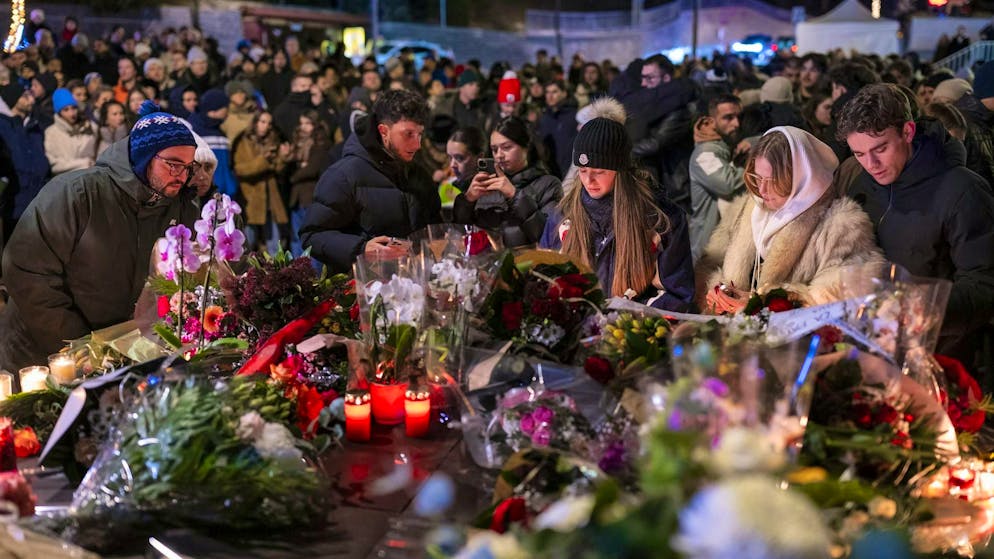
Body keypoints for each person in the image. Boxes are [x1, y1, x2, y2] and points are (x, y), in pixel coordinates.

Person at [0, 101, 206, 372]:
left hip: (117, 355)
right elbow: (27, 272)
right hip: (40, 353)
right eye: (173, 164)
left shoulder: (179, 207)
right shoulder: (76, 194)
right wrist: (78, 345)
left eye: (189, 167)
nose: (182, 176)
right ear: (144, 157)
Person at [837, 84, 994, 365]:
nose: (871, 164)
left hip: (941, 357)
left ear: (908, 132)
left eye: (880, 148)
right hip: (874, 350)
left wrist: (924, 306)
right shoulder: (862, 184)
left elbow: (984, 284)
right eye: (859, 154)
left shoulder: (963, 190)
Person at [699, 126, 882, 312]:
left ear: (800, 177)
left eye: (772, 181)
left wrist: (765, 303)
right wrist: (718, 293)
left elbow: (836, 299)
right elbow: (710, 265)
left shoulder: (842, 227)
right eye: (758, 178)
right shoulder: (746, 209)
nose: (762, 191)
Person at [539, 117, 694, 312]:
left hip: (632, 331)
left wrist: (627, 319)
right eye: (583, 170)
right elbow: (543, 280)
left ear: (620, 170)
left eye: (599, 171)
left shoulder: (660, 220)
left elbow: (677, 293)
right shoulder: (562, 215)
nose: (589, 180)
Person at [300, 89, 440, 273]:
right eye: (408, 134)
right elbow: (312, 235)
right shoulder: (343, 175)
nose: (417, 145)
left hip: (412, 286)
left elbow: (435, 228)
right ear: (384, 131)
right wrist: (361, 248)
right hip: (361, 291)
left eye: (420, 134)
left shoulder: (419, 174)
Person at [453, 116, 561, 248]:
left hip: (527, 263)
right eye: (494, 149)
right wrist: (468, 201)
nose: (499, 155)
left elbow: (550, 238)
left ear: (526, 147)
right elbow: (459, 235)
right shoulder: (484, 182)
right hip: (486, 263)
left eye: (506, 147)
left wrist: (515, 196)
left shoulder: (548, 184)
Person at [688, 94, 745, 263]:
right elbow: (727, 184)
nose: (737, 123)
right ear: (710, 121)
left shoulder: (725, 146)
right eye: (728, 118)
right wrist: (754, 168)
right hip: (708, 250)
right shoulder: (704, 154)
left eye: (738, 117)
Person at [232, 110, 291, 252]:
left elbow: (278, 170)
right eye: (263, 122)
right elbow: (241, 169)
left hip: (271, 198)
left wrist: (283, 157)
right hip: (251, 197)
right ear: (256, 123)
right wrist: (263, 160)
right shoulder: (244, 141)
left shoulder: (273, 141)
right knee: (247, 243)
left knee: (275, 245)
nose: (266, 126)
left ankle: (276, 273)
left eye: (269, 123)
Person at [0, 83, 49, 243]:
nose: (31, 98)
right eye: (25, 95)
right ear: (14, 100)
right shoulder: (3, 126)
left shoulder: (35, 126)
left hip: (37, 198)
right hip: (13, 200)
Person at [287, 110, 332, 256]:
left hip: (311, 195)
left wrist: (295, 175)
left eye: (307, 123)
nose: (303, 127)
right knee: (296, 237)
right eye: (301, 123)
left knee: (311, 237)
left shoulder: (320, 142)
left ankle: (312, 274)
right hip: (297, 197)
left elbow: (312, 168)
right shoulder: (297, 143)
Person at [43, 87, 97, 175]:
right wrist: (83, 164)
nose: (72, 113)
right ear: (59, 112)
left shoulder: (88, 127)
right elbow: (55, 165)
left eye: (74, 108)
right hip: (65, 183)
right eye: (66, 110)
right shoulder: (51, 133)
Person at [538, 79, 579, 179]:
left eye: (554, 92)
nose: (550, 96)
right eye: (547, 92)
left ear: (564, 94)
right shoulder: (543, 118)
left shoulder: (574, 116)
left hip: (570, 172)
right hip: (548, 172)